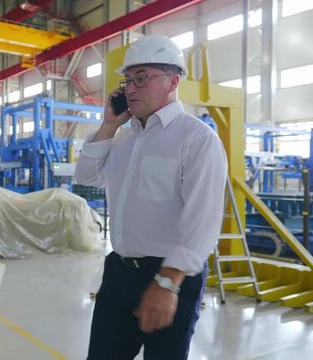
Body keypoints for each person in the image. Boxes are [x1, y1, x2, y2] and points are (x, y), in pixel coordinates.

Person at [75, 34, 228, 360]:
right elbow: (86, 178)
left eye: (141, 79)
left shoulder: (197, 139)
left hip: (169, 275)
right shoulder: (123, 139)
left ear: (173, 81)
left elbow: (202, 221)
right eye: (127, 80)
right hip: (118, 273)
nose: (130, 88)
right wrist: (108, 125)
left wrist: (167, 283)